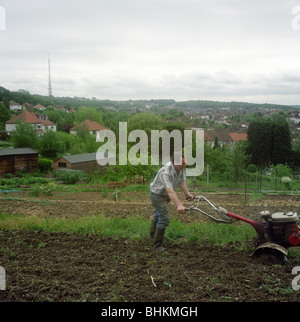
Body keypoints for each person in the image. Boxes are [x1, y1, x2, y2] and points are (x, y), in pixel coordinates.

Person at [149, 155, 193, 251]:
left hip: (165, 195)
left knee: (157, 215)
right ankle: (157, 246)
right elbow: (170, 191)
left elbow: (182, 182)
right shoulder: (165, 171)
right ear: (176, 163)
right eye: (183, 163)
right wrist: (179, 204)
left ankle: (152, 236)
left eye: (185, 162)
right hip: (157, 195)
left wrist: (187, 193)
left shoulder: (180, 169)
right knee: (164, 218)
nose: (185, 165)